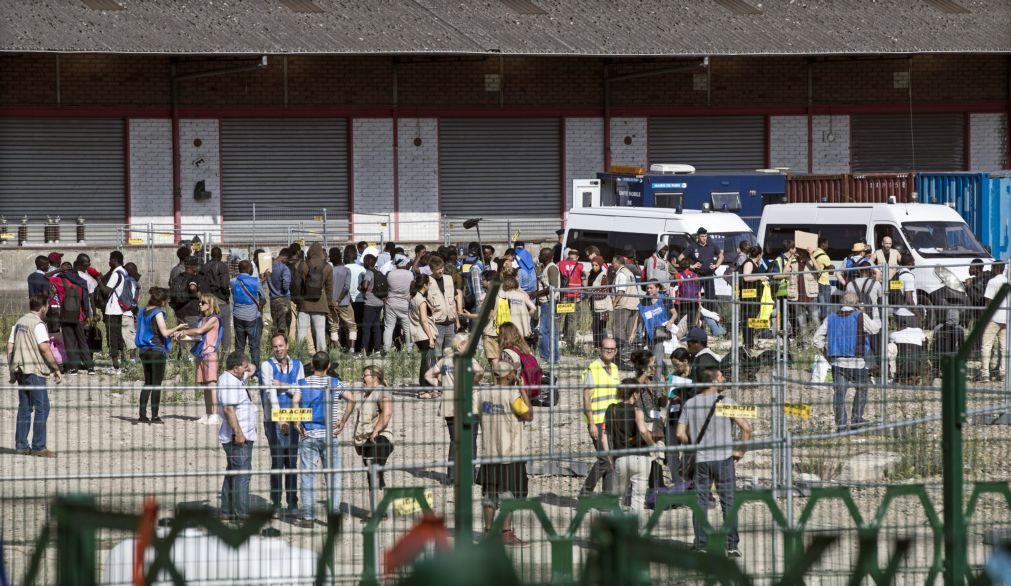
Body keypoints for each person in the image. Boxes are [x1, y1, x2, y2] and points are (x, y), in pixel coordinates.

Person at [677, 367, 752, 557]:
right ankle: (731, 545)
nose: (724, 379)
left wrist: (694, 443)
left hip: (701, 459)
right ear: (713, 382)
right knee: (728, 502)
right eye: (721, 377)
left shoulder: (690, 404)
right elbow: (746, 428)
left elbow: (679, 433)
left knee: (700, 502)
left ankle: (701, 544)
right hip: (723, 458)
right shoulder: (726, 403)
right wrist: (740, 451)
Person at [474, 359, 533, 547]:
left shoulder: (482, 393)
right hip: (510, 453)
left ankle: (488, 532)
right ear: (509, 376)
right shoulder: (512, 395)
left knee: (489, 494)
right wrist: (524, 391)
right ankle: (506, 533)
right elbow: (528, 415)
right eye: (514, 373)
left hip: (489, 452)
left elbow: (472, 413)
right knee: (510, 494)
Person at [296, 351, 356, 528]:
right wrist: (343, 420)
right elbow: (352, 400)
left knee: (307, 476)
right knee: (333, 477)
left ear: (312, 366)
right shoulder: (335, 383)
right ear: (328, 366)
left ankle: (307, 518)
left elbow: (294, 402)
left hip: (309, 434)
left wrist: (297, 423)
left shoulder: (303, 383)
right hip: (329, 435)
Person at [813, 291, 881, 431]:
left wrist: (826, 353)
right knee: (862, 389)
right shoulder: (860, 316)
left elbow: (816, 339)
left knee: (839, 394)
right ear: (856, 303)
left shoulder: (830, 318)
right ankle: (856, 419)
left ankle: (841, 424)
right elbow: (875, 329)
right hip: (857, 363)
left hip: (837, 363)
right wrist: (872, 312)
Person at [7, 293, 62, 457]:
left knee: (24, 407)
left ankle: (21, 445)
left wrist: (12, 370)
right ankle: (39, 446)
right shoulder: (38, 324)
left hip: (20, 370)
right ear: (44, 307)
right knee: (43, 407)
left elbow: (10, 347)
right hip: (35, 370)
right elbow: (45, 348)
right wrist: (55, 369)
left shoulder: (19, 322)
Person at [425, 333, 484, 483]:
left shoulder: (445, 361)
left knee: (454, 441)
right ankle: (469, 475)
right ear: (459, 345)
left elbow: (428, 375)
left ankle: (451, 476)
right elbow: (480, 371)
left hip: (450, 404)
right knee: (470, 440)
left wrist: (441, 386)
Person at [260, 332, 304, 515]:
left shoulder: (298, 365)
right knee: (277, 462)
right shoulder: (266, 366)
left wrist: (283, 385)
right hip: (274, 419)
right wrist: (280, 418)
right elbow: (271, 393)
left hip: (293, 416)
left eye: (281, 345)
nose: (278, 349)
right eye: (275, 346)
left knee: (292, 462)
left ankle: (292, 503)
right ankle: (276, 503)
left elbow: (301, 390)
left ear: (287, 345)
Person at [606, 376, 656, 518]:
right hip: (641, 458)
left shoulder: (611, 410)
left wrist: (610, 456)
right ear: (635, 394)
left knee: (617, 499)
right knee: (638, 501)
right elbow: (642, 430)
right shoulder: (637, 411)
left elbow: (606, 435)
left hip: (621, 457)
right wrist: (653, 445)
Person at [217, 351, 257, 520]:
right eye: (243, 367)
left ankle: (226, 511)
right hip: (238, 438)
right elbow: (228, 410)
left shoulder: (236, 378)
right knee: (242, 475)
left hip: (241, 436)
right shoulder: (229, 382)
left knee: (233, 472)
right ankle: (242, 514)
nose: (246, 369)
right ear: (235, 368)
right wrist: (239, 433)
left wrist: (247, 365)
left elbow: (253, 369)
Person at [174, 293, 223, 425]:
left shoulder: (214, 319)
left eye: (203, 303)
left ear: (210, 305)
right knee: (206, 386)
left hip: (210, 354)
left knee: (212, 385)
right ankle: (208, 413)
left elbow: (200, 331)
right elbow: (198, 336)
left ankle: (215, 414)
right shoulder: (202, 319)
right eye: (200, 302)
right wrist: (180, 336)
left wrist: (184, 332)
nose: (200, 304)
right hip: (201, 354)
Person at [136, 287, 183, 423]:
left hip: (144, 350)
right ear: (162, 301)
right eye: (166, 300)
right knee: (156, 384)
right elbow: (164, 333)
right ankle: (155, 416)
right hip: (156, 351)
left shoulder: (142, 311)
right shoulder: (157, 312)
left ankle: (142, 415)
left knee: (148, 383)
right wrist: (179, 327)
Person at [580, 338, 620, 496]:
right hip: (597, 421)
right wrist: (591, 423)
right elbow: (586, 398)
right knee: (604, 459)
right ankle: (586, 491)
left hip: (611, 422)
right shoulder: (593, 369)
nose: (609, 351)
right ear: (600, 349)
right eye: (606, 348)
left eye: (612, 349)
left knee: (611, 460)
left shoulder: (615, 368)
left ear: (616, 351)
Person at [353, 365, 395, 497]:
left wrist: (376, 430)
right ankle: (379, 510)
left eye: (365, 375)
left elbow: (387, 413)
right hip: (368, 440)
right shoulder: (367, 395)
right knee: (374, 475)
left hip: (379, 438)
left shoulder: (382, 390)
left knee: (374, 474)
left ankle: (376, 511)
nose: (363, 378)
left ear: (375, 378)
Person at [630, 349, 666, 492]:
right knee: (647, 461)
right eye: (652, 365)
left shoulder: (655, 381)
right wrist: (645, 376)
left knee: (657, 460)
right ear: (643, 367)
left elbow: (662, 404)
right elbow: (634, 391)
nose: (655, 368)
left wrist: (664, 394)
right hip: (643, 425)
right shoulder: (633, 382)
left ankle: (657, 491)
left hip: (656, 424)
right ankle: (656, 491)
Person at [483, 276, 536, 370]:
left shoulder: (504, 294)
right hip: (521, 328)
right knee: (520, 351)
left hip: (509, 328)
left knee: (507, 352)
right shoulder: (522, 295)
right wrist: (527, 316)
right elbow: (534, 308)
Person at [51, 261, 94, 375]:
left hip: (65, 316)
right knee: (82, 341)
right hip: (79, 316)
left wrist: (58, 270)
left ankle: (74, 368)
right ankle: (90, 367)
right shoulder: (81, 282)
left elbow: (45, 277)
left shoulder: (60, 281)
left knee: (69, 342)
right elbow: (85, 300)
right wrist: (87, 314)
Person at [297, 243, 334, 354]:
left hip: (304, 303)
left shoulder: (303, 265)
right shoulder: (328, 267)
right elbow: (329, 288)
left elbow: (298, 284)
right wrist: (328, 303)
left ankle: (300, 354)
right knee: (320, 332)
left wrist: (298, 300)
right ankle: (322, 356)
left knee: (301, 331)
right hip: (320, 303)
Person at [231, 260, 263, 382]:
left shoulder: (233, 281)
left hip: (238, 316)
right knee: (254, 346)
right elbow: (263, 297)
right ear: (249, 269)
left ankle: (237, 371)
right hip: (253, 317)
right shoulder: (256, 281)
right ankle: (255, 372)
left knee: (239, 346)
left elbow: (233, 294)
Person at [638, 282, 676, 382]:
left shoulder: (664, 299)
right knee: (651, 357)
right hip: (649, 333)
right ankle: (655, 376)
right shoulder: (644, 301)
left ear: (657, 288)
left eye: (651, 288)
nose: (649, 290)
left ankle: (656, 381)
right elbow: (639, 318)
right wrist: (634, 332)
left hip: (660, 333)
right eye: (647, 288)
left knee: (657, 357)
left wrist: (670, 322)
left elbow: (675, 313)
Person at [666, 347, 694, 483]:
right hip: (674, 416)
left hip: (689, 419)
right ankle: (677, 482)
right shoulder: (674, 376)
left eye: (677, 365)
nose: (676, 368)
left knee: (689, 450)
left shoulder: (694, 377)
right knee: (672, 451)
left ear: (686, 361)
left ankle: (687, 479)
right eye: (673, 365)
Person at [680, 227, 724, 311]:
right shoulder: (693, 246)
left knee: (710, 298)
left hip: (709, 276)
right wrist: (691, 266)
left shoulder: (711, 245)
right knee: (695, 297)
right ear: (698, 237)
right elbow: (680, 258)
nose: (704, 238)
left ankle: (710, 318)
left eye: (705, 236)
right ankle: (694, 318)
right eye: (702, 236)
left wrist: (716, 265)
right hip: (697, 276)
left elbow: (721, 256)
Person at [427, 255, 462, 352]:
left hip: (450, 322)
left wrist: (457, 321)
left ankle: (448, 367)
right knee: (437, 352)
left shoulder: (449, 279)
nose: (440, 271)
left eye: (441, 268)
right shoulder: (428, 281)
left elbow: (453, 302)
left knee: (450, 351)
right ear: (431, 269)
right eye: (437, 269)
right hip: (437, 323)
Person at [980, 262, 1008, 383]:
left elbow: (989, 301)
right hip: (1006, 318)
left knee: (986, 346)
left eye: (992, 267)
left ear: (996, 269)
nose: (991, 270)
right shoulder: (1008, 281)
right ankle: (1003, 373)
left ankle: (985, 373)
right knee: (1004, 347)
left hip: (994, 317)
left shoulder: (992, 282)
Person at [201, 247, 232, 353]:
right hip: (220, 300)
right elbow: (224, 284)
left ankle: (210, 351)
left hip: (207, 301)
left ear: (211, 256)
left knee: (209, 328)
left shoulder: (204, 267)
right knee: (225, 327)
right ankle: (225, 352)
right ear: (220, 256)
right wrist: (227, 297)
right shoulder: (222, 266)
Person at [532, 248, 561, 362]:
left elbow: (552, 287)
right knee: (550, 330)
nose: (539, 256)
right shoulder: (544, 268)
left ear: (548, 256)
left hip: (549, 303)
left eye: (541, 255)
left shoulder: (552, 268)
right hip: (544, 302)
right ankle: (553, 358)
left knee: (544, 330)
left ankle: (546, 356)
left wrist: (537, 293)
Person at [103, 250, 130, 372]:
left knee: (111, 336)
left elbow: (106, 291)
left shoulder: (115, 274)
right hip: (120, 308)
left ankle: (115, 365)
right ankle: (124, 361)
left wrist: (98, 280)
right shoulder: (125, 272)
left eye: (110, 259)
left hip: (112, 309)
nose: (109, 262)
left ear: (114, 260)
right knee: (118, 335)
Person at [409, 275, 438, 386]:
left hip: (416, 333)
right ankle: (426, 388)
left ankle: (424, 387)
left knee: (424, 361)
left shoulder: (412, 297)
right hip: (424, 334)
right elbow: (424, 320)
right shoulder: (421, 300)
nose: (430, 285)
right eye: (429, 283)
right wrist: (430, 337)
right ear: (425, 285)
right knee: (428, 363)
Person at [611, 255, 639, 368]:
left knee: (618, 330)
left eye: (613, 263)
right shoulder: (629, 272)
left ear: (618, 263)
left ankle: (621, 358)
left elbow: (621, 291)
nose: (612, 265)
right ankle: (630, 359)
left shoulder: (621, 274)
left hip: (623, 305)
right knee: (629, 333)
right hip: (634, 305)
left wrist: (614, 302)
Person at [328, 247, 358, 352]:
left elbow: (326, 289)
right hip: (344, 303)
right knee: (351, 325)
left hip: (331, 304)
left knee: (334, 326)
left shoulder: (329, 271)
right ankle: (352, 349)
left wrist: (333, 301)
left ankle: (336, 349)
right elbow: (346, 287)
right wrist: (339, 300)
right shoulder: (346, 270)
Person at [384, 255, 414, 351]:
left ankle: (386, 349)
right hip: (405, 304)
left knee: (389, 327)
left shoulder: (390, 274)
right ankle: (409, 349)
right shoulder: (410, 274)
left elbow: (387, 287)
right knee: (407, 328)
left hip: (391, 303)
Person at [740, 245, 767, 350]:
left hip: (755, 296)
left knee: (752, 320)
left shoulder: (755, 263)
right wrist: (760, 277)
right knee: (748, 319)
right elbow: (746, 277)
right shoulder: (749, 263)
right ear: (759, 254)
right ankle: (748, 343)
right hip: (748, 296)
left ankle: (750, 342)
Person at [358, 254, 384, 356]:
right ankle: (377, 350)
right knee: (376, 327)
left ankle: (364, 350)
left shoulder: (368, 272)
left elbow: (365, 285)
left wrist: (361, 288)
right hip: (379, 303)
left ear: (366, 263)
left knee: (366, 327)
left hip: (370, 303)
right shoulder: (378, 272)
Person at [557, 248, 584, 348]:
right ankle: (570, 342)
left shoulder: (561, 263)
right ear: (577, 257)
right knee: (572, 319)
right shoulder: (580, 266)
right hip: (575, 296)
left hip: (564, 294)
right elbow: (584, 281)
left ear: (569, 255)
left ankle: (555, 337)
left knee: (559, 317)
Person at [585, 256, 612, 349]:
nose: (594, 267)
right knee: (595, 325)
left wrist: (593, 292)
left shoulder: (603, 275)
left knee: (600, 326)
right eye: (592, 265)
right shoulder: (591, 274)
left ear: (600, 265)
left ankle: (600, 345)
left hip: (602, 305)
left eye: (596, 265)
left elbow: (604, 290)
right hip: (593, 303)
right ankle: (597, 344)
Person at [344, 244, 367, 353]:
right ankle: (358, 347)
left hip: (345, 301)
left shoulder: (343, 268)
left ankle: (348, 346)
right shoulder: (361, 269)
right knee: (359, 324)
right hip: (360, 300)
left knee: (347, 325)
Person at [267, 248, 293, 337]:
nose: (287, 262)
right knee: (284, 326)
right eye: (288, 259)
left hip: (273, 299)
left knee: (275, 324)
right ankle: (283, 346)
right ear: (284, 257)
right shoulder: (284, 268)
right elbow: (285, 286)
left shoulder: (269, 266)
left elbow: (266, 280)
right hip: (284, 300)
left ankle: (272, 346)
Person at [170, 256, 202, 327]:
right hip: (191, 312)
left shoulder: (178, 277)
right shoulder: (193, 277)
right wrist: (198, 294)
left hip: (179, 312)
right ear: (193, 267)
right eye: (196, 265)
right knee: (192, 336)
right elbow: (192, 288)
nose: (197, 267)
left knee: (182, 335)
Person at [121, 262, 142, 362]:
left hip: (126, 313)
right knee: (131, 335)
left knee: (129, 336)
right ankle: (132, 357)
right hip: (130, 312)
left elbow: (132, 299)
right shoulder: (132, 282)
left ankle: (132, 358)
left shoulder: (128, 282)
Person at [811, 237, 833, 319]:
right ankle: (825, 323)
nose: (828, 245)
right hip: (824, 283)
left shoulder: (814, 253)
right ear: (823, 244)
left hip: (816, 282)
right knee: (825, 306)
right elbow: (831, 271)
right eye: (827, 243)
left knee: (818, 304)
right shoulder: (824, 256)